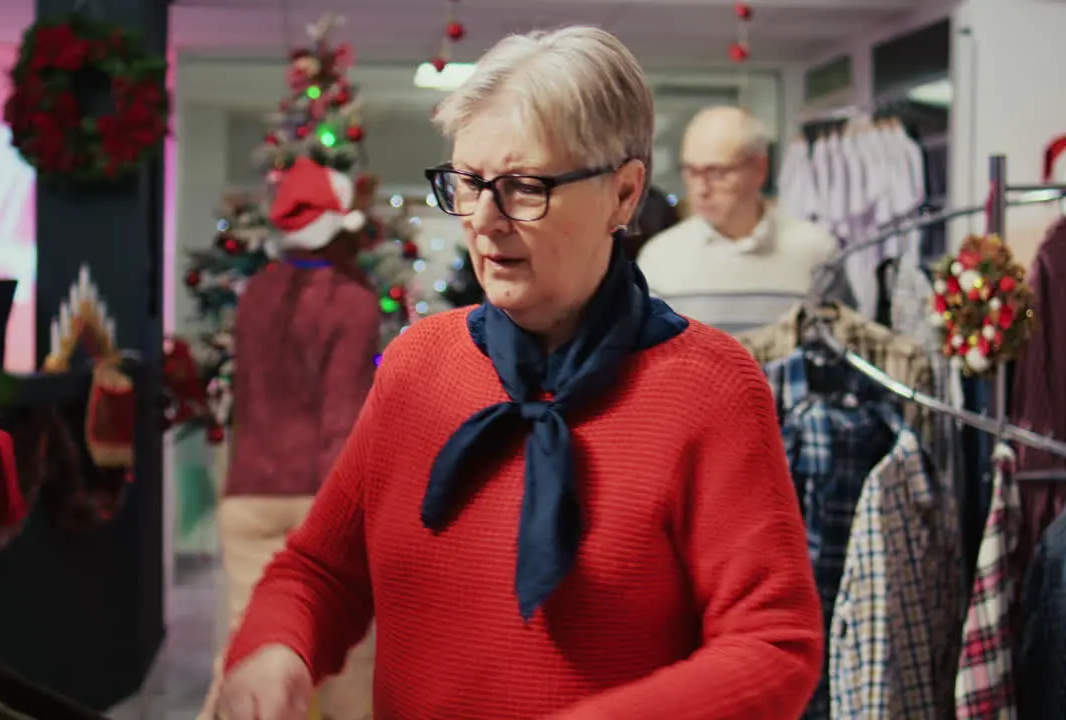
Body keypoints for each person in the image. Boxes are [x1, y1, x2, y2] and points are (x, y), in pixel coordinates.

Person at [216, 26, 823, 720]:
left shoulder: (710, 386)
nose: (483, 220)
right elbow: (318, 572)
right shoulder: (419, 365)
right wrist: (276, 651)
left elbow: (774, 646)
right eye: (468, 183)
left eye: (524, 187)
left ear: (624, 195)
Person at [200, 157, 380, 720]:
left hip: (248, 491)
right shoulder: (353, 302)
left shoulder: (255, 294)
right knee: (347, 661)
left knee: (247, 653)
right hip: (319, 497)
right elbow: (341, 416)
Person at [638, 107, 843, 334]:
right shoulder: (660, 258)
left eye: (717, 173)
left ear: (759, 169)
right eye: (690, 171)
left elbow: (843, 347)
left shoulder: (816, 251)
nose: (701, 188)